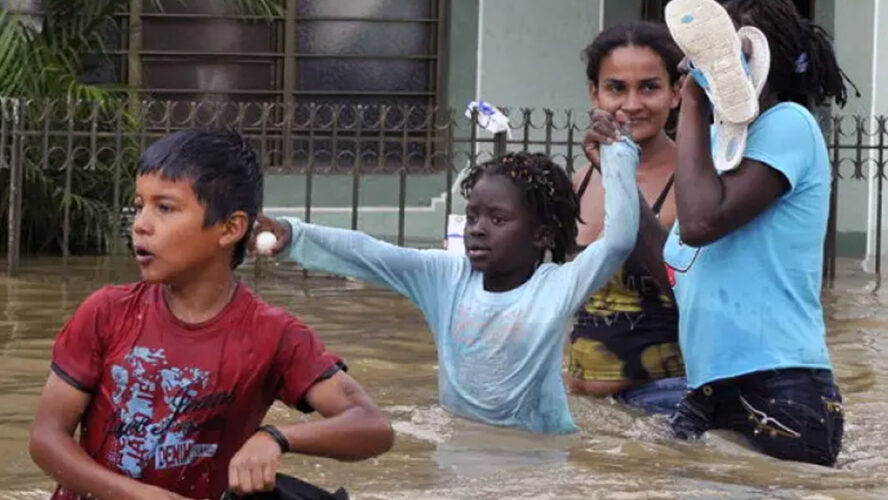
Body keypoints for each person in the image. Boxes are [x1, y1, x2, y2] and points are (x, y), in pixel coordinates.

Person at [28, 128, 394, 500]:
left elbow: (372, 426)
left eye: (165, 208)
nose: (140, 224)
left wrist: (276, 437)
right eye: (140, 205)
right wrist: (136, 495)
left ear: (230, 228)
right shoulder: (106, 312)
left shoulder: (274, 335)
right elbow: (46, 439)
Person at [589, 0, 853, 465]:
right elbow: (675, 269)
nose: (706, 68)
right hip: (709, 390)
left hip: (780, 386)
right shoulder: (716, 151)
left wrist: (691, 101)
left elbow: (699, 223)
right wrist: (616, 172)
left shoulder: (789, 124)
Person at [252, 150, 640, 434]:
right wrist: (295, 236)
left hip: (538, 450)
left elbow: (619, 241)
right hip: (460, 437)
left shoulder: (557, 286)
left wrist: (616, 155)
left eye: (498, 219)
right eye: (472, 215)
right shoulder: (446, 277)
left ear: (540, 235)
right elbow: (370, 253)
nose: (477, 228)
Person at [567, 22, 687, 415]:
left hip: (664, 407)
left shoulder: (694, 183)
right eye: (616, 88)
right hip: (584, 408)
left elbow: (695, 294)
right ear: (594, 94)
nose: (631, 104)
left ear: (676, 93)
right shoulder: (579, 182)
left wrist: (617, 178)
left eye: (649, 87)